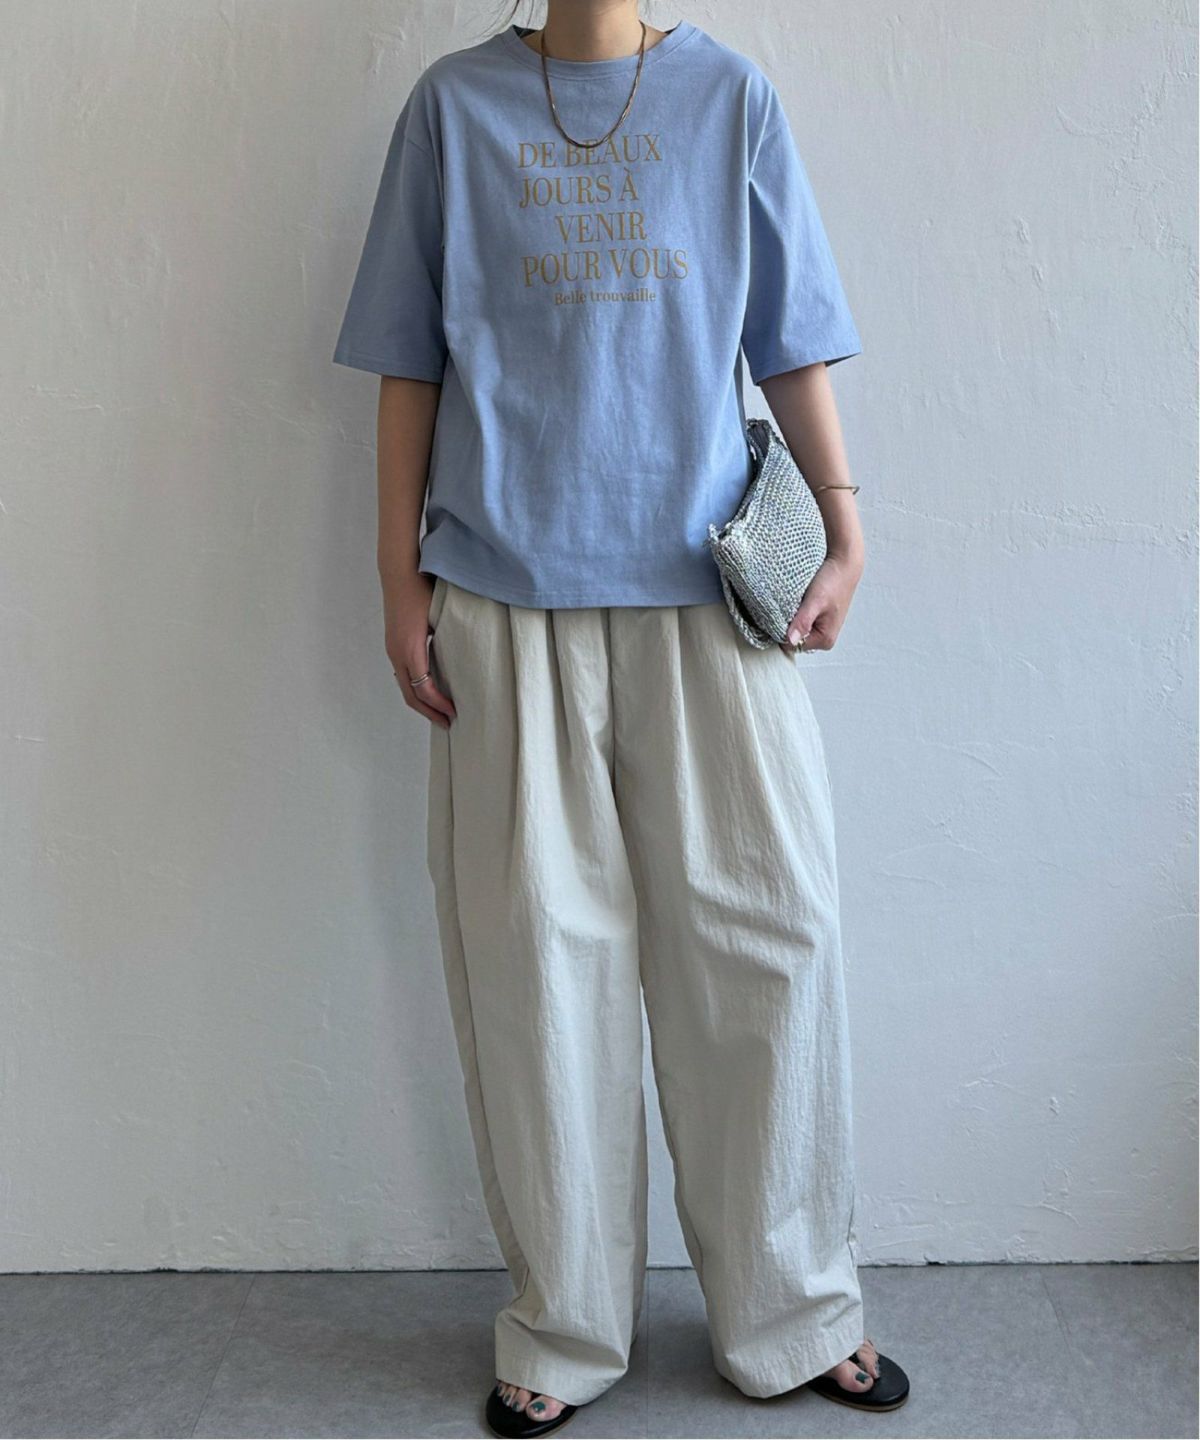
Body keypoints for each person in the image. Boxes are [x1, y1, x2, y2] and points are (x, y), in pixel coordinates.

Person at [332, 3, 910, 1435]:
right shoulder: (452, 109)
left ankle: (795, 1308)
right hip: (504, 593)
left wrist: (846, 523)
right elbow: (411, 362)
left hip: (710, 595)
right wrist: (397, 576)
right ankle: (564, 1323)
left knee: (771, 941)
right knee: (536, 969)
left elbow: (790, 335)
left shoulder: (731, 99)